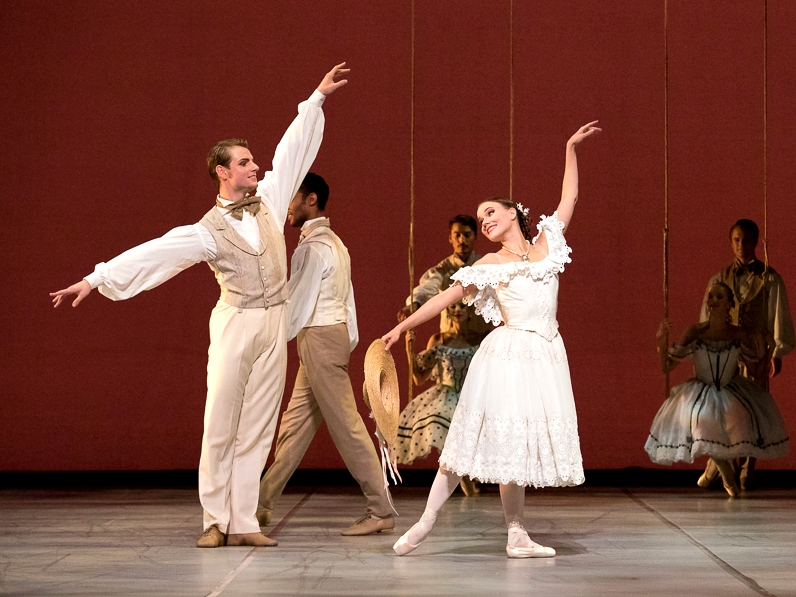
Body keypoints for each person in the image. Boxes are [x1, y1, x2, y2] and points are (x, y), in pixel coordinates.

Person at [50, 63, 350, 548]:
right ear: (222, 171)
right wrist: (97, 277)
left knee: (259, 421)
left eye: (255, 162)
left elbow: (293, 149)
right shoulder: (205, 231)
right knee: (221, 420)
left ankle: (244, 520)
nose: (257, 167)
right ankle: (214, 519)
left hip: (275, 323)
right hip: (236, 322)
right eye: (246, 162)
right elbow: (155, 254)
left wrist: (315, 99)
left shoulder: (272, 202)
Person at [382, 121, 600, 558]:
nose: (484, 222)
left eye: (490, 214)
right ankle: (424, 523)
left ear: (513, 213)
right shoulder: (489, 266)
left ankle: (516, 534)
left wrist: (569, 148)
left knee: (514, 447)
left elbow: (569, 199)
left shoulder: (547, 245)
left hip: (544, 356)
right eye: (480, 219)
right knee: (469, 441)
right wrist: (403, 327)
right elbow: (443, 297)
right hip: (506, 357)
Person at [256, 172, 394, 536]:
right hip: (323, 338)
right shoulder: (333, 242)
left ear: (311, 200)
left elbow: (297, 302)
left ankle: (380, 509)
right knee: (295, 425)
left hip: (318, 336)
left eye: (293, 198)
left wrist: (270, 341)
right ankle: (260, 505)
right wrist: (344, 341)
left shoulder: (315, 247)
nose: (287, 206)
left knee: (346, 425)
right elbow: (346, 301)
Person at [646, 283, 790, 497]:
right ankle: (727, 476)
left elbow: (757, 371)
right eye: (711, 296)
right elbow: (667, 366)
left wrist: (769, 347)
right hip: (700, 391)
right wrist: (660, 341)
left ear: (730, 304)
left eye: (720, 297)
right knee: (701, 423)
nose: (713, 300)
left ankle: (712, 470)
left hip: (730, 389)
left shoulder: (738, 334)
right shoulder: (695, 332)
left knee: (736, 422)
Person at [698, 219, 795, 490]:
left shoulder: (769, 278)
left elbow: (778, 314)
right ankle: (722, 462)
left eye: (747, 240)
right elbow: (709, 316)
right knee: (726, 409)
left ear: (756, 242)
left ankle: (748, 466)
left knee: (753, 409)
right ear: (731, 242)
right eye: (737, 240)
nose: (742, 245)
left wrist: (777, 351)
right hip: (727, 353)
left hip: (756, 352)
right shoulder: (719, 278)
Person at [393, 301, 480, 496]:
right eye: (452, 307)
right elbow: (419, 378)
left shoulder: (478, 340)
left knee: (467, 438)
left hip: (469, 396)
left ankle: (469, 479)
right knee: (444, 427)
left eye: (462, 307)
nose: (457, 310)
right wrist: (410, 350)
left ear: (470, 312)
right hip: (445, 397)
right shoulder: (439, 339)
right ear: (447, 312)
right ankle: (464, 482)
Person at [397, 215, 491, 346]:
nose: (462, 240)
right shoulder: (442, 270)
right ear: (450, 238)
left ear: (475, 236)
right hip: (449, 345)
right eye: (457, 235)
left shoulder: (486, 266)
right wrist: (415, 304)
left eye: (467, 235)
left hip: (481, 342)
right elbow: (428, 287)